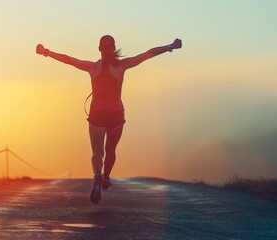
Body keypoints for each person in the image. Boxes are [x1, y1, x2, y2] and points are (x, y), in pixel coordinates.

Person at [36, 35, 182, 204]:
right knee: (111, 150)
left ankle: (97, 174)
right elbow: (147, 54)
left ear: (99, 49)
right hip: (116, 115)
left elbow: (69, 60)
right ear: (114, 49)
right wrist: (170, 46)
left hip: (97, 114)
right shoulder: (122, 66)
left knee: (97, 153)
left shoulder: (93, 68)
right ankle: (106, 178)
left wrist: (45, 52)